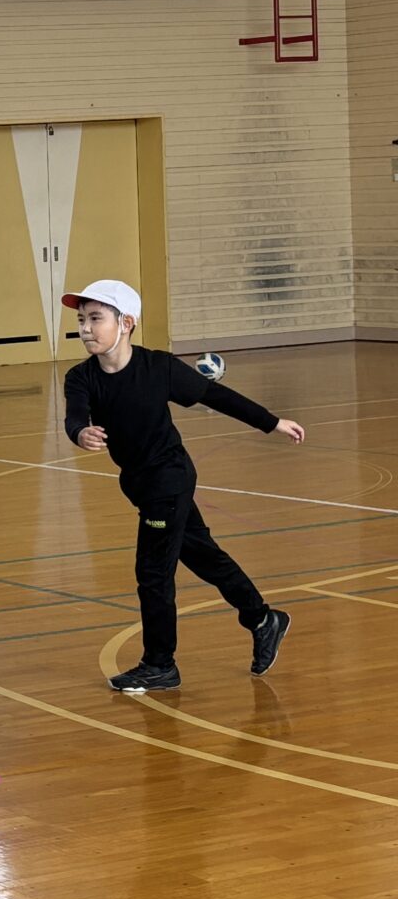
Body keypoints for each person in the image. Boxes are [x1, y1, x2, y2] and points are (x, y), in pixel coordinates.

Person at [63, 280, 302, 692]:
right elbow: (75, 415)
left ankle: (160, 663)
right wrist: (80, 433)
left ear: (127, 323)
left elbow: (217, 395)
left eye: (96, 318)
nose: (86, 328)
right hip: (139, 483)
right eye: (82, 319)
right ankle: (263, 619)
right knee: (205, 556)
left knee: (153, 574)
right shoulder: (81, 377)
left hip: (169, 480)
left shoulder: (159, 368)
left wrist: (271, 422)